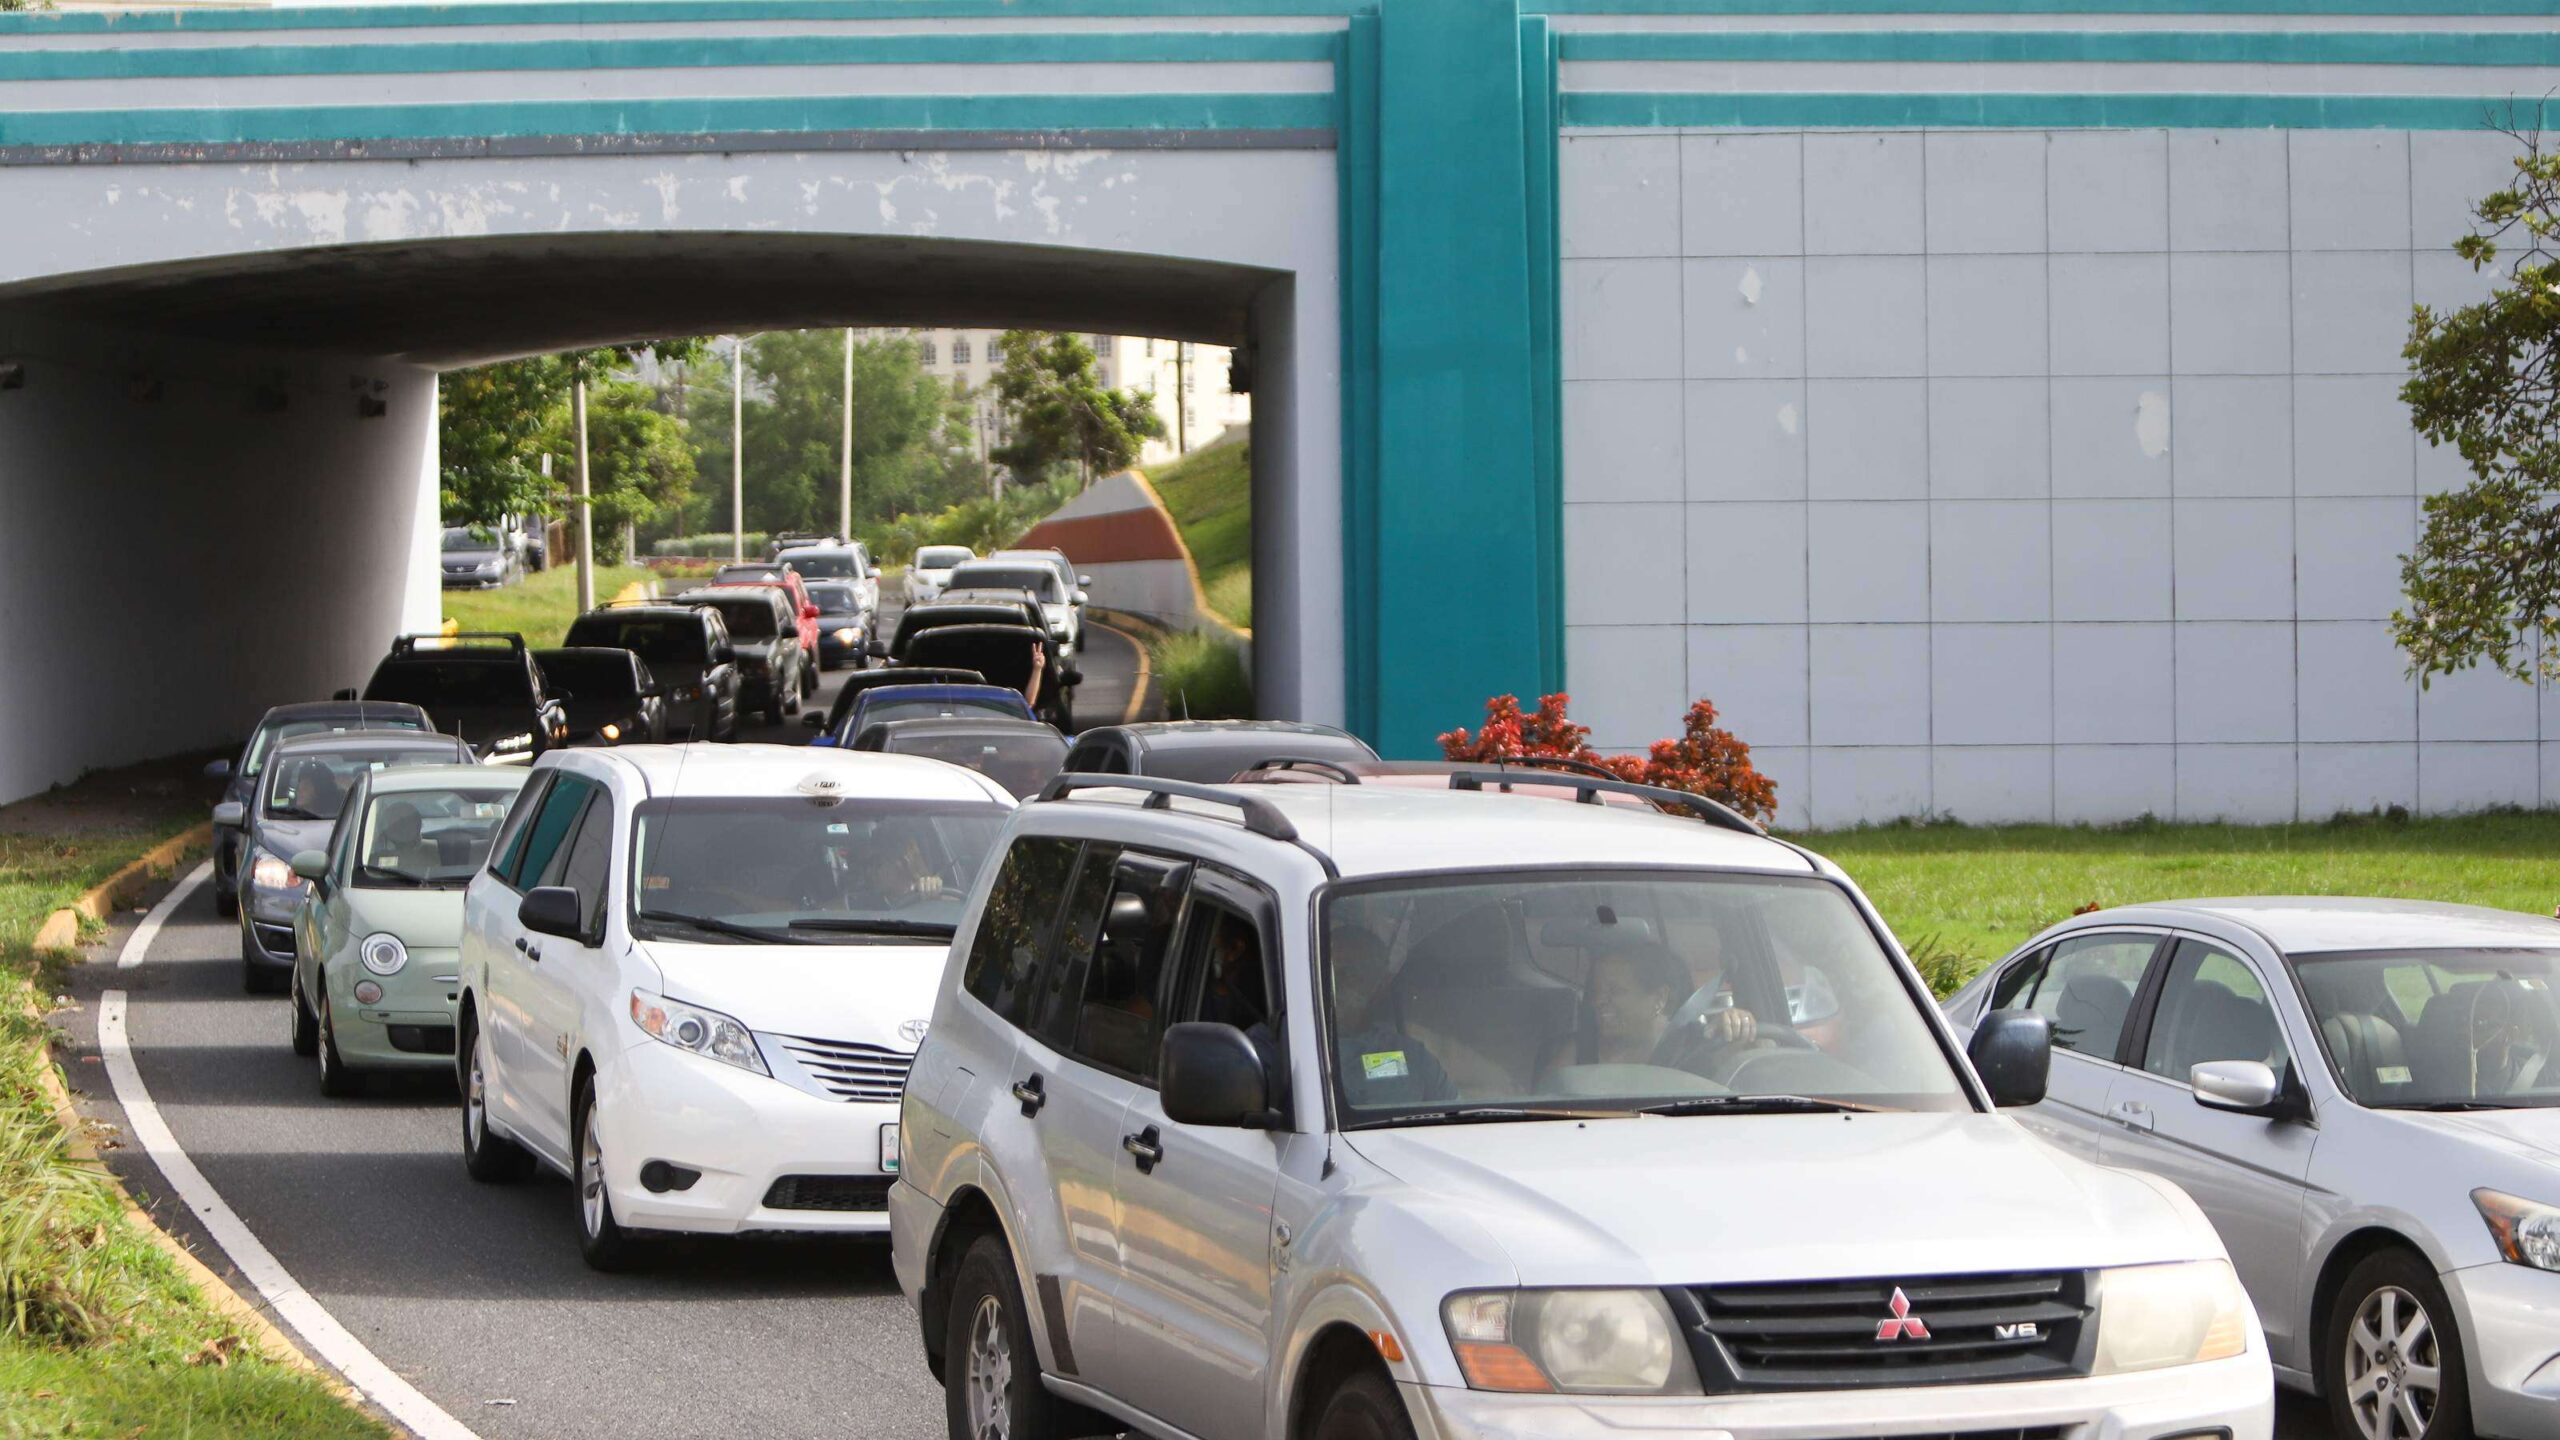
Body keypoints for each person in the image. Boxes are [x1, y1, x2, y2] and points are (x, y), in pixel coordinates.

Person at [1330, 927, 1455, 1105]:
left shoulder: (1412, 1057)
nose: (1337, 984)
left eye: (1351, 973)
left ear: (1380, 984)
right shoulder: (1291, 1051)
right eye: (1331, 973)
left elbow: (1456, 1118)